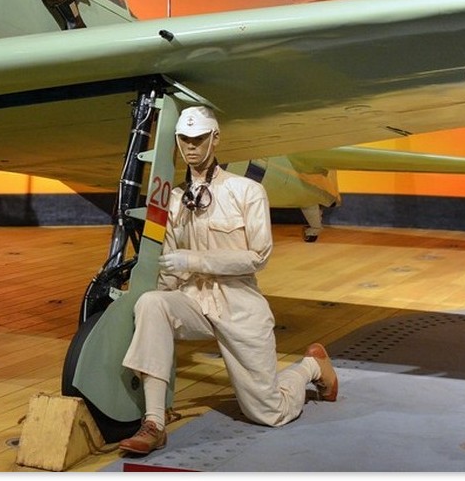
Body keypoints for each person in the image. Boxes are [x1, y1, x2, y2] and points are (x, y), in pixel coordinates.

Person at [118, 105, 338, 456]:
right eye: (184, 139)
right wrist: (147, 307)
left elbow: (258, 256)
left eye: (199, 138)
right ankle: (154, 423)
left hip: (239, 307)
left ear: (215, 138)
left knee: (269, 412)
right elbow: (170, 267)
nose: (191, 147)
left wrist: (194, 260)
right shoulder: (174, 200)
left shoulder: (247, 191)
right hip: (193, 301)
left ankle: (312, 367)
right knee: (152, 304)